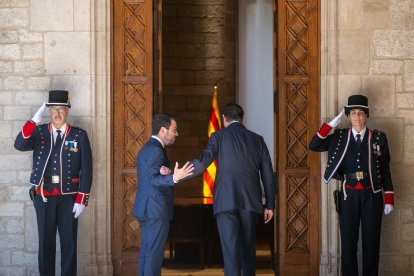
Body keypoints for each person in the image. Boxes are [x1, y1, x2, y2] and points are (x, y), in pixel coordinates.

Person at [309, 94, 394, 276]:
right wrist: (331, 124)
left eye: (361, 113)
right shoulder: (339, 136)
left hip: (372, 195)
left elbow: (386, 170)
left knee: (371, 244)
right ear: (348, 116)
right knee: (348, 245)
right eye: (353, 113)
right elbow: (314, 145)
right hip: (348, 196)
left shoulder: (379, 138)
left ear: (366, 115)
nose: (357, 117)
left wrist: (388, 198)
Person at [189, 103, 276, 276]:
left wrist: (182, 172)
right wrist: (270, 205)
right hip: (251, 203)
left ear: (224, 119)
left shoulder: (218, 136)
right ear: (242, 118)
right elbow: (267, 174)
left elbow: (205, 160)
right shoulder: (258, 139)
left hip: (226, 202)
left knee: (230, 253)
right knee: (248, 250)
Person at [14, 90, 93, 275]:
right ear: (49, 111)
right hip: (44, 198)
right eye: (54, 110)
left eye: (61, 109)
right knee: (45, 245)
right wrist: (33, 121)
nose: (57, 114)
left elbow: (87, 169)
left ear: (67, 111)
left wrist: (82, 198)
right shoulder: (39, 132)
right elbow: (19, 145)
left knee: (69, 244)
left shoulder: (79, 135)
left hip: (69, 199)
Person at [132, 113, 194, 276]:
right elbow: (153, 179)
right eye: (174, 130)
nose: (176, 134)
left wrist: (168, 174)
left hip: (147, 208)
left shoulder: (149, 147)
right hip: (155, 209)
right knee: (154, 255)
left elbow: (153, 175)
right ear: (163, 130)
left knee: (147, 252)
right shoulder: (155, 151)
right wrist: (174, 177)